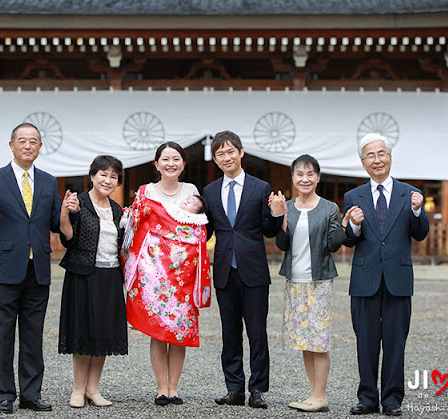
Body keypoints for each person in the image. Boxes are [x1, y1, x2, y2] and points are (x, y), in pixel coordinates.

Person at [0, 122, 61, 414]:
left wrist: (68, 212)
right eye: (22, 141)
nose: (28, 146)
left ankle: (31, 394)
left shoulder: (49, 182)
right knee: (3, 334)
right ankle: (4, 395)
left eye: (33, 141)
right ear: (11, 145)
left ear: (39, 147)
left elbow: (52, 222)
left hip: (38, 270)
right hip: (4, 269)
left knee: (33, 335)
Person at [343, 133, 429, 416]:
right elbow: (349, 240)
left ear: (390, 157)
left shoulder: (410, 194)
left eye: (382, 154)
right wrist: (353, 226)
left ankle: (392, 399)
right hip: (365, 279)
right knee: (365, 341)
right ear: (363, 162)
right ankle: (367, 397)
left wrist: (418, 212)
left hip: (398, 278)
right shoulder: (353, 196)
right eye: (371, 155)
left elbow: (420, 234)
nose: (377, 159)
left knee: (395, 341)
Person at [122, 142, 211, 406]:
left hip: (183, 275)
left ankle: (174, 387)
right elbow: (134, 228)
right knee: (158, 331)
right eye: (165, 159)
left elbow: (197, 231)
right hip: (154, 276)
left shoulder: (192, 191)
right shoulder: (145, 192)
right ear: (156, 164)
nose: (170, 163)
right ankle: (161, 387)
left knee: (179, 331)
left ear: (183, 164)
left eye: (176, 159)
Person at [203, 130, 285, 409]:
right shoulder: (210, 191)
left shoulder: (260, 188)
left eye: (230, 152)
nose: (226, 157)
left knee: (257, 332)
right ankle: (234, 388)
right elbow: (206, 231)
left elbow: (268, 230)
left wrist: (276, 213)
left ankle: (258, 389)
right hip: (225, 271)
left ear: (240, 153)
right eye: (220, 154)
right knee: (229, 332)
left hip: (253, 271)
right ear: (215, 159)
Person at [275, 154, 354, 413]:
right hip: (295, 281)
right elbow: (282, 244)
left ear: (318, 177)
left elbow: (332, 245)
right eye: (300, 174)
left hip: (319, 281)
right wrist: (280, 217)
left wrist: (343, 225)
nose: (305, 179)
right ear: (293, 178)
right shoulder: (287, 206)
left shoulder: (329, 208)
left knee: (318, 340)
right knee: (304, 340)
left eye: (310, 174)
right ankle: (313, 394)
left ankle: (320, 396)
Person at [57, 155, 128, 408]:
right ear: (92, 176)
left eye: (113, 177)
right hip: (83, 275)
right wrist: (65, 211)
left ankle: (93, 389)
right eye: (103, 174)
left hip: (110, 275)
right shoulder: (79, 202)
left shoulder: (118, 209)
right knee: (83, 332)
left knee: (103, 334)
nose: (108, 180)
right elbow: (67, 236)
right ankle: (77, 389)